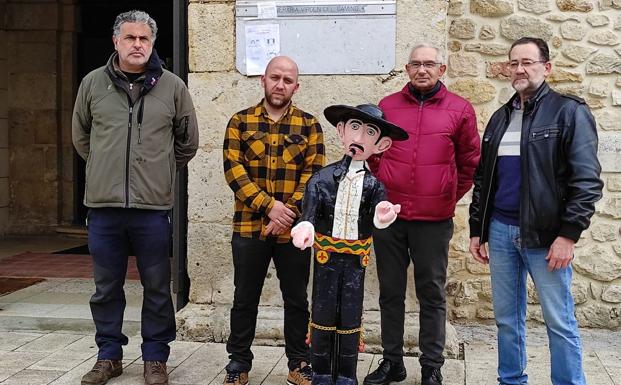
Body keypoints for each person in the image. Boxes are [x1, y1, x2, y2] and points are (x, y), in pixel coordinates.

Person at [72, 9, 199, 385]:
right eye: (130, 38)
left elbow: (187, 142)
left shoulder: (173, 86)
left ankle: (155, 358)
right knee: (106, 287)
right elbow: (82, 138)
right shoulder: (93, 84)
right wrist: (104, 167)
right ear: (116, 42)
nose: (138, 45)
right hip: (104, 207)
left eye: (144, 39)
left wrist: (156, 171)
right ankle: (108, 355)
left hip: (152, 209)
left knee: (158, 287)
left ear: (153, 43)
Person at [468, 37, 603, 385]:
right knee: (506, 319)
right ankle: (511, 380)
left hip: (546, 237)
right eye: (514, 63)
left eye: (528, 61)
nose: (520, 69)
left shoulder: (569, 111)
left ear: (546, 67)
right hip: (499, 232)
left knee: (559, 320)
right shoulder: (500, 117)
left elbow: (586, 181)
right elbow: (484, 178)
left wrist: (568, 235)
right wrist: (477, 230)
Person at [364, 43, 480, 385]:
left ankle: (432, 366)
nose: (423, 69)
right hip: (390, 218)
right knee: (390, 292)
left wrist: (445, 195)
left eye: (430, 64)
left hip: (434, 219)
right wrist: (383, 185)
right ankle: (392, 362)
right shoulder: (387, 106)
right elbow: (373, 153)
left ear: (441, 70)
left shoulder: (460, 109)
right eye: (416, 64)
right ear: (407, 68)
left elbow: (469, 162)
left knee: (431, 293)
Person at [222, 56, 326, 385]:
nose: (280, 85)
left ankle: (299, 363)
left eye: (287, 80)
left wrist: (287, 215)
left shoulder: (310, 126)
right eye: (274, 77)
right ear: (263, 80)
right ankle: (239, 363)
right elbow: (234, 172)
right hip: (249, 228)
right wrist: (270, 208)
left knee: (296, 299)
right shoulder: (239, 122)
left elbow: (314, 177)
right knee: (244, 297)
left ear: (297, 85)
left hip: (293, 233)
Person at [291, 104, 408, 385]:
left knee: (350, 315)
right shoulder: (320, 179)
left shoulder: (374, 186)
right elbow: (310, 209)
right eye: (355, 127)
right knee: (322, 311)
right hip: (325, 259)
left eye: (370, 132)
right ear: (342, 132)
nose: (360, 137)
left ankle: (346, 374)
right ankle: (319, 372)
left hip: (356, 262)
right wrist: (306, 225)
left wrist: (383, 215)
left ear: (381, 145)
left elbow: (378, 211)